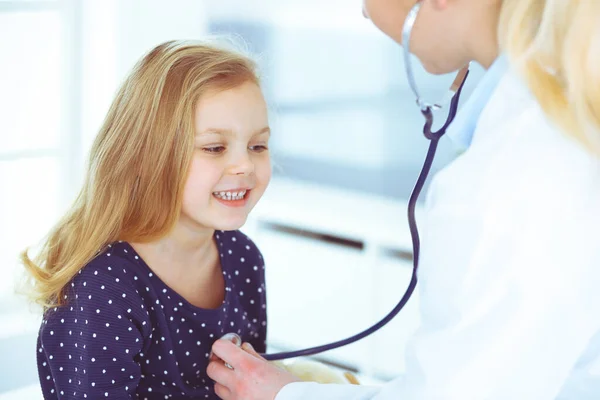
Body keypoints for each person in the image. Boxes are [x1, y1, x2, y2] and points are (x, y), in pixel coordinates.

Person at [206, 0, 600, 399]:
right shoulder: (552, 127)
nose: (364, 12)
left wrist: (288, 396)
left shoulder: (509, 176)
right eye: (213, 147)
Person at [21, 39, 272, 399]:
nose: (245, 165)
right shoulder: (102, 288)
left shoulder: (242, 256)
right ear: (147, 155)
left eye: (258, 146)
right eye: (215, 147)